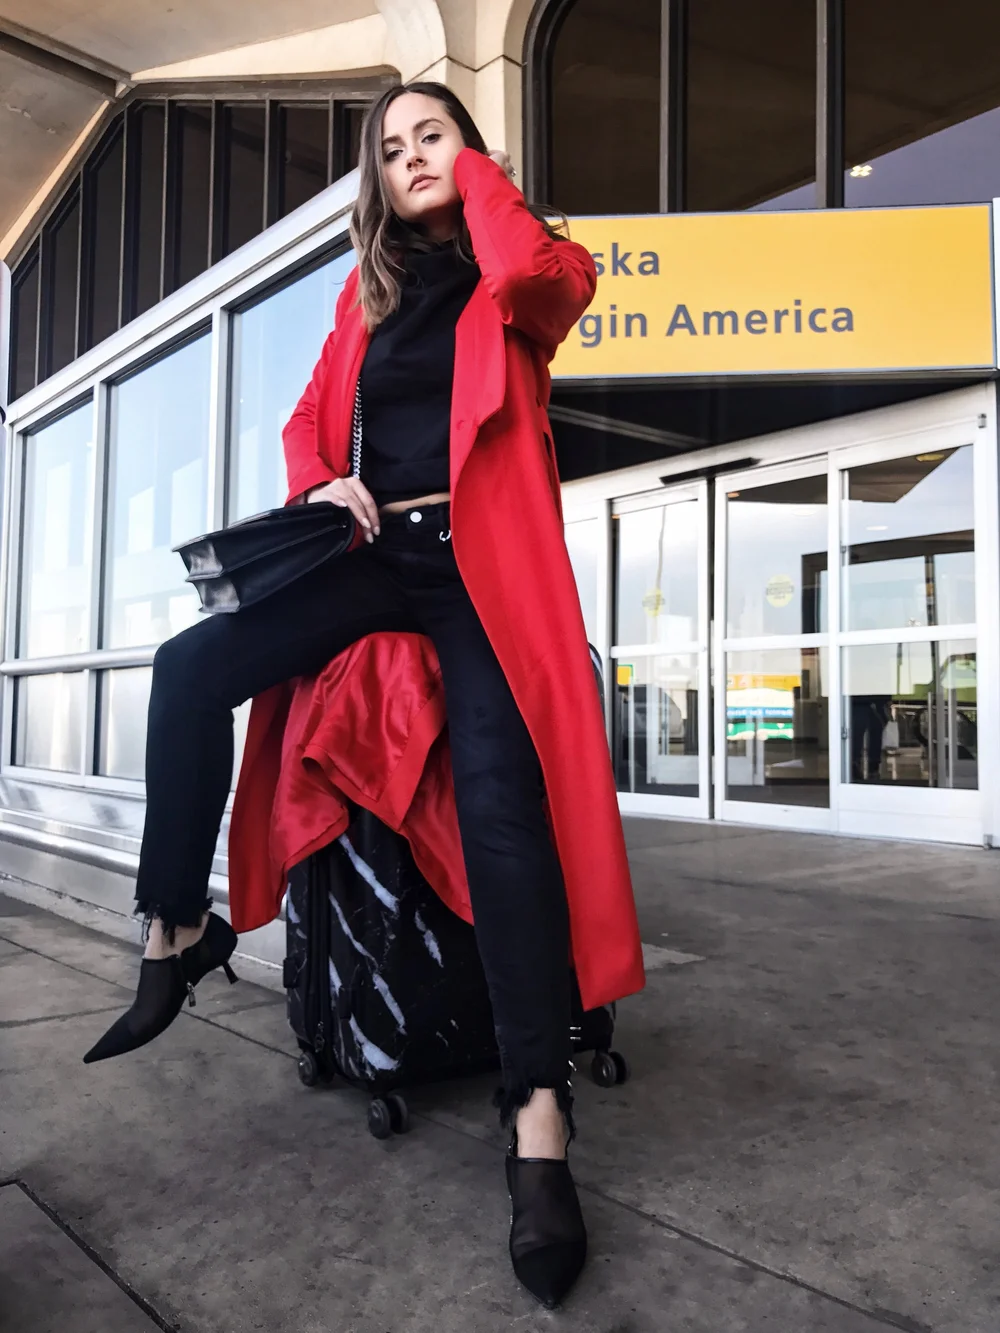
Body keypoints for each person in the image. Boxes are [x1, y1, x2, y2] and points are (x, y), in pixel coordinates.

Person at [82, 81, 644, 1308]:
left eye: (431, 136)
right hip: (377, 556)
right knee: (190, 668)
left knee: (502, 816)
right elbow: (306, 418)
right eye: (390, 149)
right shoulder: (363, 296)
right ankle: (176, 926)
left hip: (481, 571)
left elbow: (532, 276)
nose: (411, 157)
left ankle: (537, 1121)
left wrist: (474, 174)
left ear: (472, 154)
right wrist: (318, 482)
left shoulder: (527, 276)